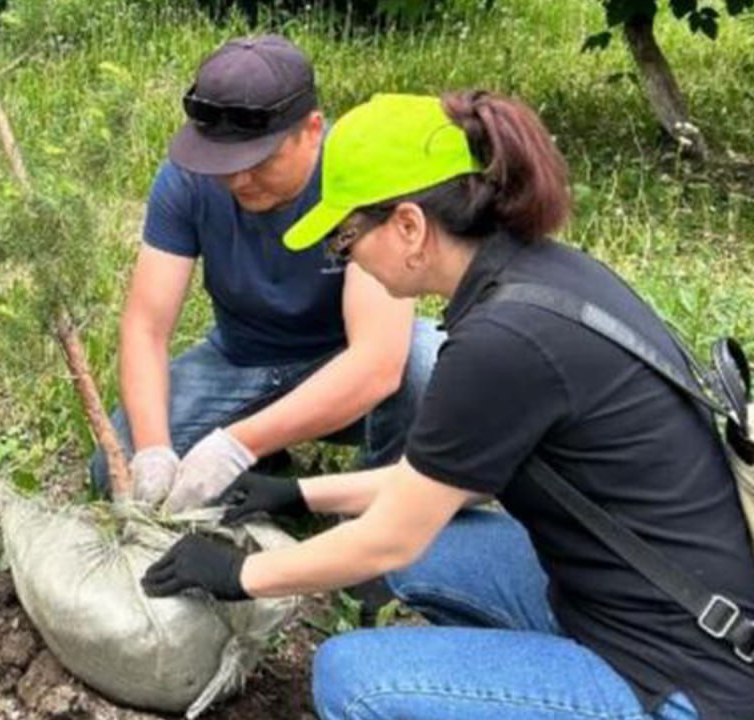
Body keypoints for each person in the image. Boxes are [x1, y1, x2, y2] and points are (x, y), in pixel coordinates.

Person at [139, 91, 754, 719]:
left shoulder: (502, 340)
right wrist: (298, 495)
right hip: (622, 593)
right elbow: (448, 484)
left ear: (408, 226)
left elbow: (390, 541)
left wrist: (238, 575)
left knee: (353, 677)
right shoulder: (541, 277)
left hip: (680, 676)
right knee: (432, 550)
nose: (345, 258)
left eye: (345, 239)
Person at [90, 34, 442, 511]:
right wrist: (154, 448)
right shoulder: (186, 180)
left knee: (428, 369)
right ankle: (263, 465)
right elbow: (146, 327)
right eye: (223, 162)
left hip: (341, 363)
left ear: (312, 130)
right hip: (241, 362)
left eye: (259, 161)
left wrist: (236, 444)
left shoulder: (362, 175)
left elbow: (377, 362)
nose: (238, 179)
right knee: (115, 465)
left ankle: (371, 505)